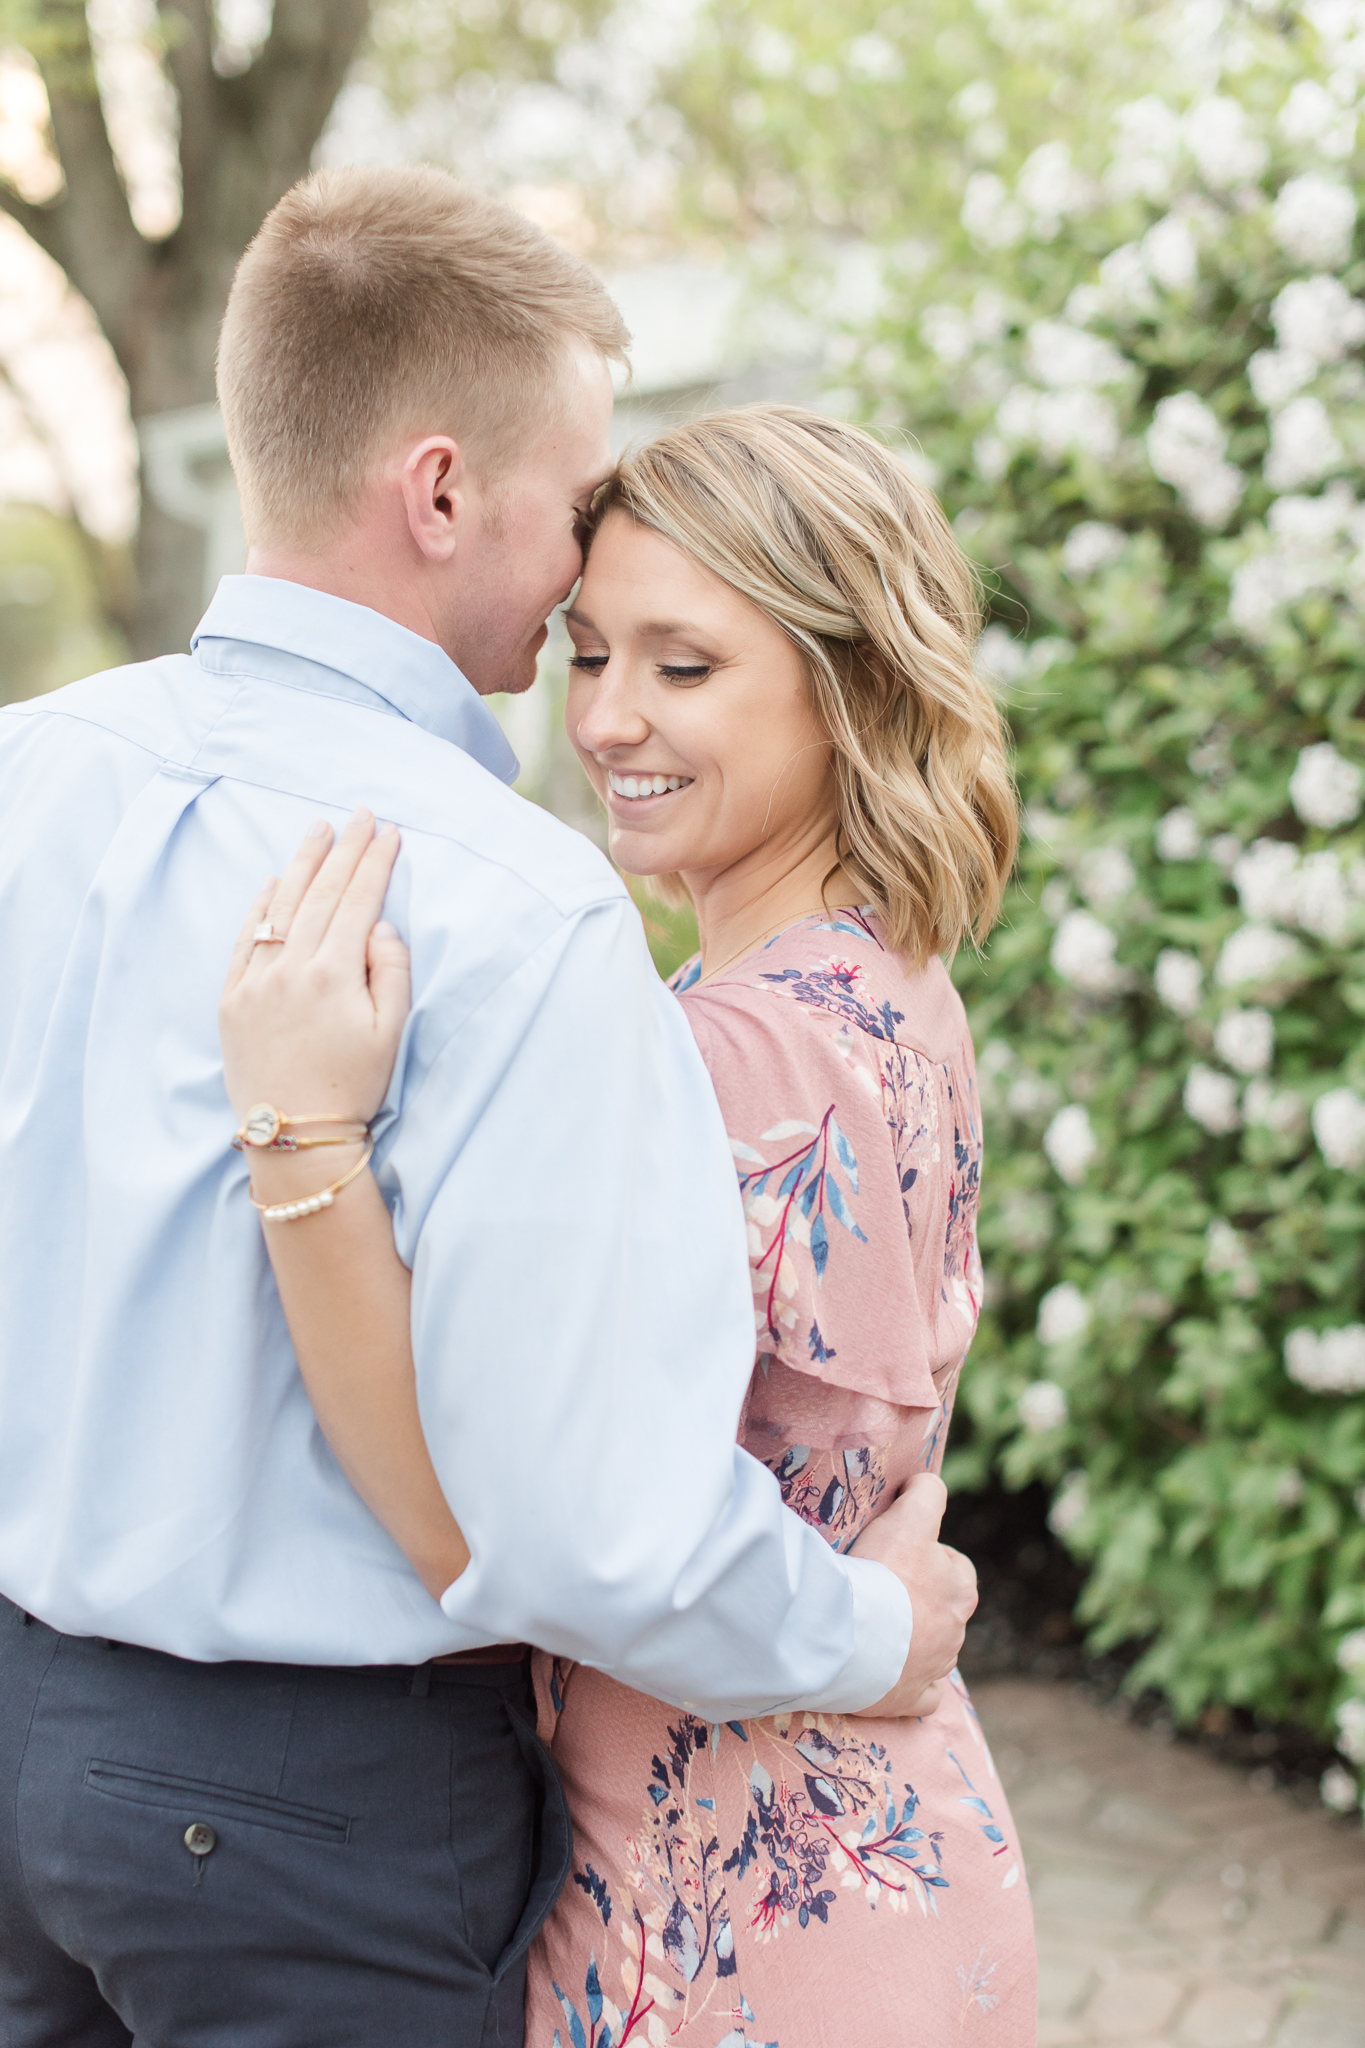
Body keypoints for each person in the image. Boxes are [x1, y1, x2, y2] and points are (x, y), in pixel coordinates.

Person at [0, 170, 974, 2046]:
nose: (580, 565)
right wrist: (875, 1634)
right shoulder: (513, 908)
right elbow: (580, 1522)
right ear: (443, 491)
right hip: (315, 1810)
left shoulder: (28, 780)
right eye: (574, 492)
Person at [217, 405, 1036, 2044]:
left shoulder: (723, 1054)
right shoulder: (880, 982)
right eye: (589, 654)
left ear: (848, 682)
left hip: (741, 1905)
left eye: (682, 667)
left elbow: (482, 1512)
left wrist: (302, 1133)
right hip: (848, 1834)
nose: (602, 718)